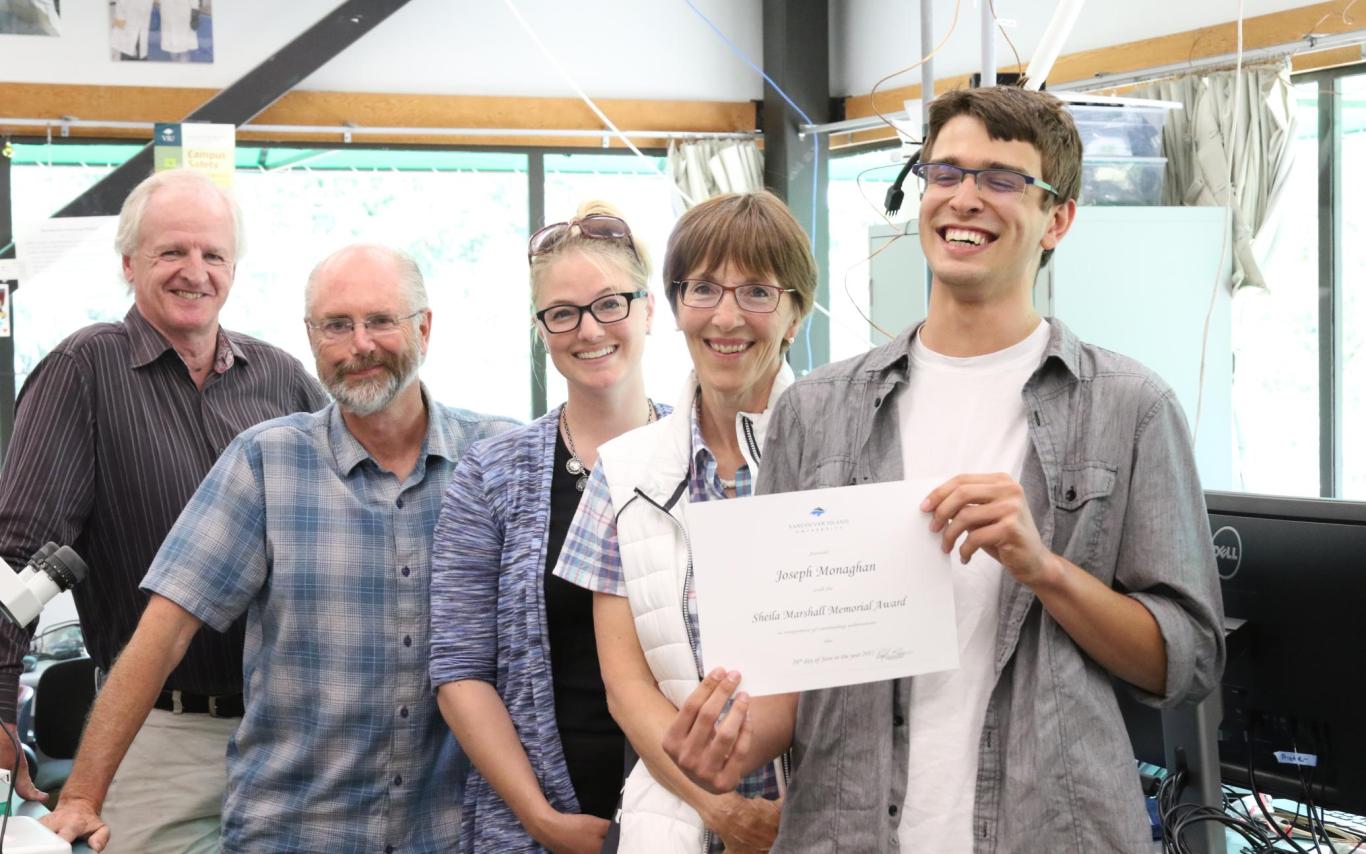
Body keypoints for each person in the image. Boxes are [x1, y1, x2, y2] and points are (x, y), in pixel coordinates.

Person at [662, 85, 1227, 852]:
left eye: (1002, 180)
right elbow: (791, 677)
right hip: (847, 832)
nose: (966, 199)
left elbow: (1185, 664)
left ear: (1056, 219)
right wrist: (726, 749)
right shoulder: (817, 411)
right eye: (946, 173)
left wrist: (1043, 568)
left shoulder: (1132, 409)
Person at [40, 244, 518, 853]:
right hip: (294, 833)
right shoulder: (266, 460)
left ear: (423, 327)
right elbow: (161, 637)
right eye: (337, 326)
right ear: (312, 339)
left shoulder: (498, 461)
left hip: (450, 832)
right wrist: (82, 796)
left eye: (380, 321)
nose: (359, 344)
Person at [0, 168, 327, 853]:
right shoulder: (84, 370)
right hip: (160, 736)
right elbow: (19, 557)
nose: (195, 271)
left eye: (213, 255)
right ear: (129, 263)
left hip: (292, 737)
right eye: (171, 252)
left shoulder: (282, 379)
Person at [553, 191, 817, 853]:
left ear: (796, 314)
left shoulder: (848, 455)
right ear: (672, 307)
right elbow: (627, 686)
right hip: (672, 822)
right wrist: (721, 809)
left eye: (757, 290)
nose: (726, 317)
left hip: (826, 811)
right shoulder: (623, 472)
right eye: (702, 288)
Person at [429, 201, 668, 853]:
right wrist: (540, 819)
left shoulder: (705, 457)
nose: (589, 330)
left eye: (610, 304)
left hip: (691, 813)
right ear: (543, 330)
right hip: (537, 826)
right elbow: (459, 669)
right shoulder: (492, 474)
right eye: (563, 313)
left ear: (650, 309)